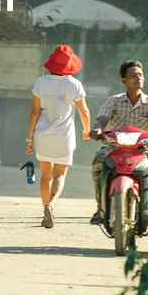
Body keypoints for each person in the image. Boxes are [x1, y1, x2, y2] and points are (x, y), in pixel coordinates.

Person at [87, 59, 148, 226]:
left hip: (143, 148)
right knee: (98, 162)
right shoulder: (113, 101)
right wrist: (97, 130)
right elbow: (102, 120)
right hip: (115, 147)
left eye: (140, 75)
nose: (138, 78)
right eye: (133, 75)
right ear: (123, 80)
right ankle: (101, 206)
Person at [25, 44, 91, 229]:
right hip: (64, 137)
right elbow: (84, 111)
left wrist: (29, 138)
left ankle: (45, 212)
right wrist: (87, 130)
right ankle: (51, 205)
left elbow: (34, 112)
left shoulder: (40, 83)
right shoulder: (74, 85)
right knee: (60, 174)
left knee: (46, 175)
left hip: (43, 135)